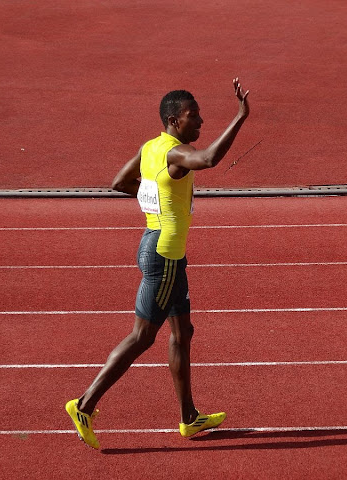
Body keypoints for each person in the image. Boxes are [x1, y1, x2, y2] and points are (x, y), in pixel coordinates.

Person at [66, 78, 250, 450]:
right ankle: (84, 404)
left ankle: (189, 418)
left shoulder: (150, 148)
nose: (200, 123)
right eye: (192, 117)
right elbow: (210, 158)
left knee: (183, 333)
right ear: (173, 120)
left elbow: (120, 182)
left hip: (163, 250)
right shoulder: (174, 153)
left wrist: (155, 196)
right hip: (164, 255)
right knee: (142, 336)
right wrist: (241, 116)